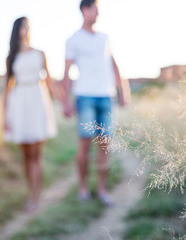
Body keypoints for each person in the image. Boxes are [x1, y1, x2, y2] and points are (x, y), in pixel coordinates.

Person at [62, 0, 131, 206]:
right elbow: (66, 73)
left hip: (106, 97)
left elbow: (114, 65)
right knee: (84, 144)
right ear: (85, 10)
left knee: (104, 145)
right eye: (96, 9)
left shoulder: (104, 38)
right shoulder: (73, 39)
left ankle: (101, 189)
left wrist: (123, 90)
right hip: (85, 97)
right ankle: (83, 189)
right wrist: (66, 101)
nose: (98, 13)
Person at [3, 17, 60, 212]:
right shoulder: (11, 57)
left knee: (36, 153)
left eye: (28, 26)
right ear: (17, 29)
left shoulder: (40, 53)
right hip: (19, 104)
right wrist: (5, 117)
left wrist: (63, 100)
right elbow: (6, 89)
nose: (26, 29)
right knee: (26, 154)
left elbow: (50, 81)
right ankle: (31, 192)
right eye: (23, 26)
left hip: (37, 101)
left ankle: (36, 196)